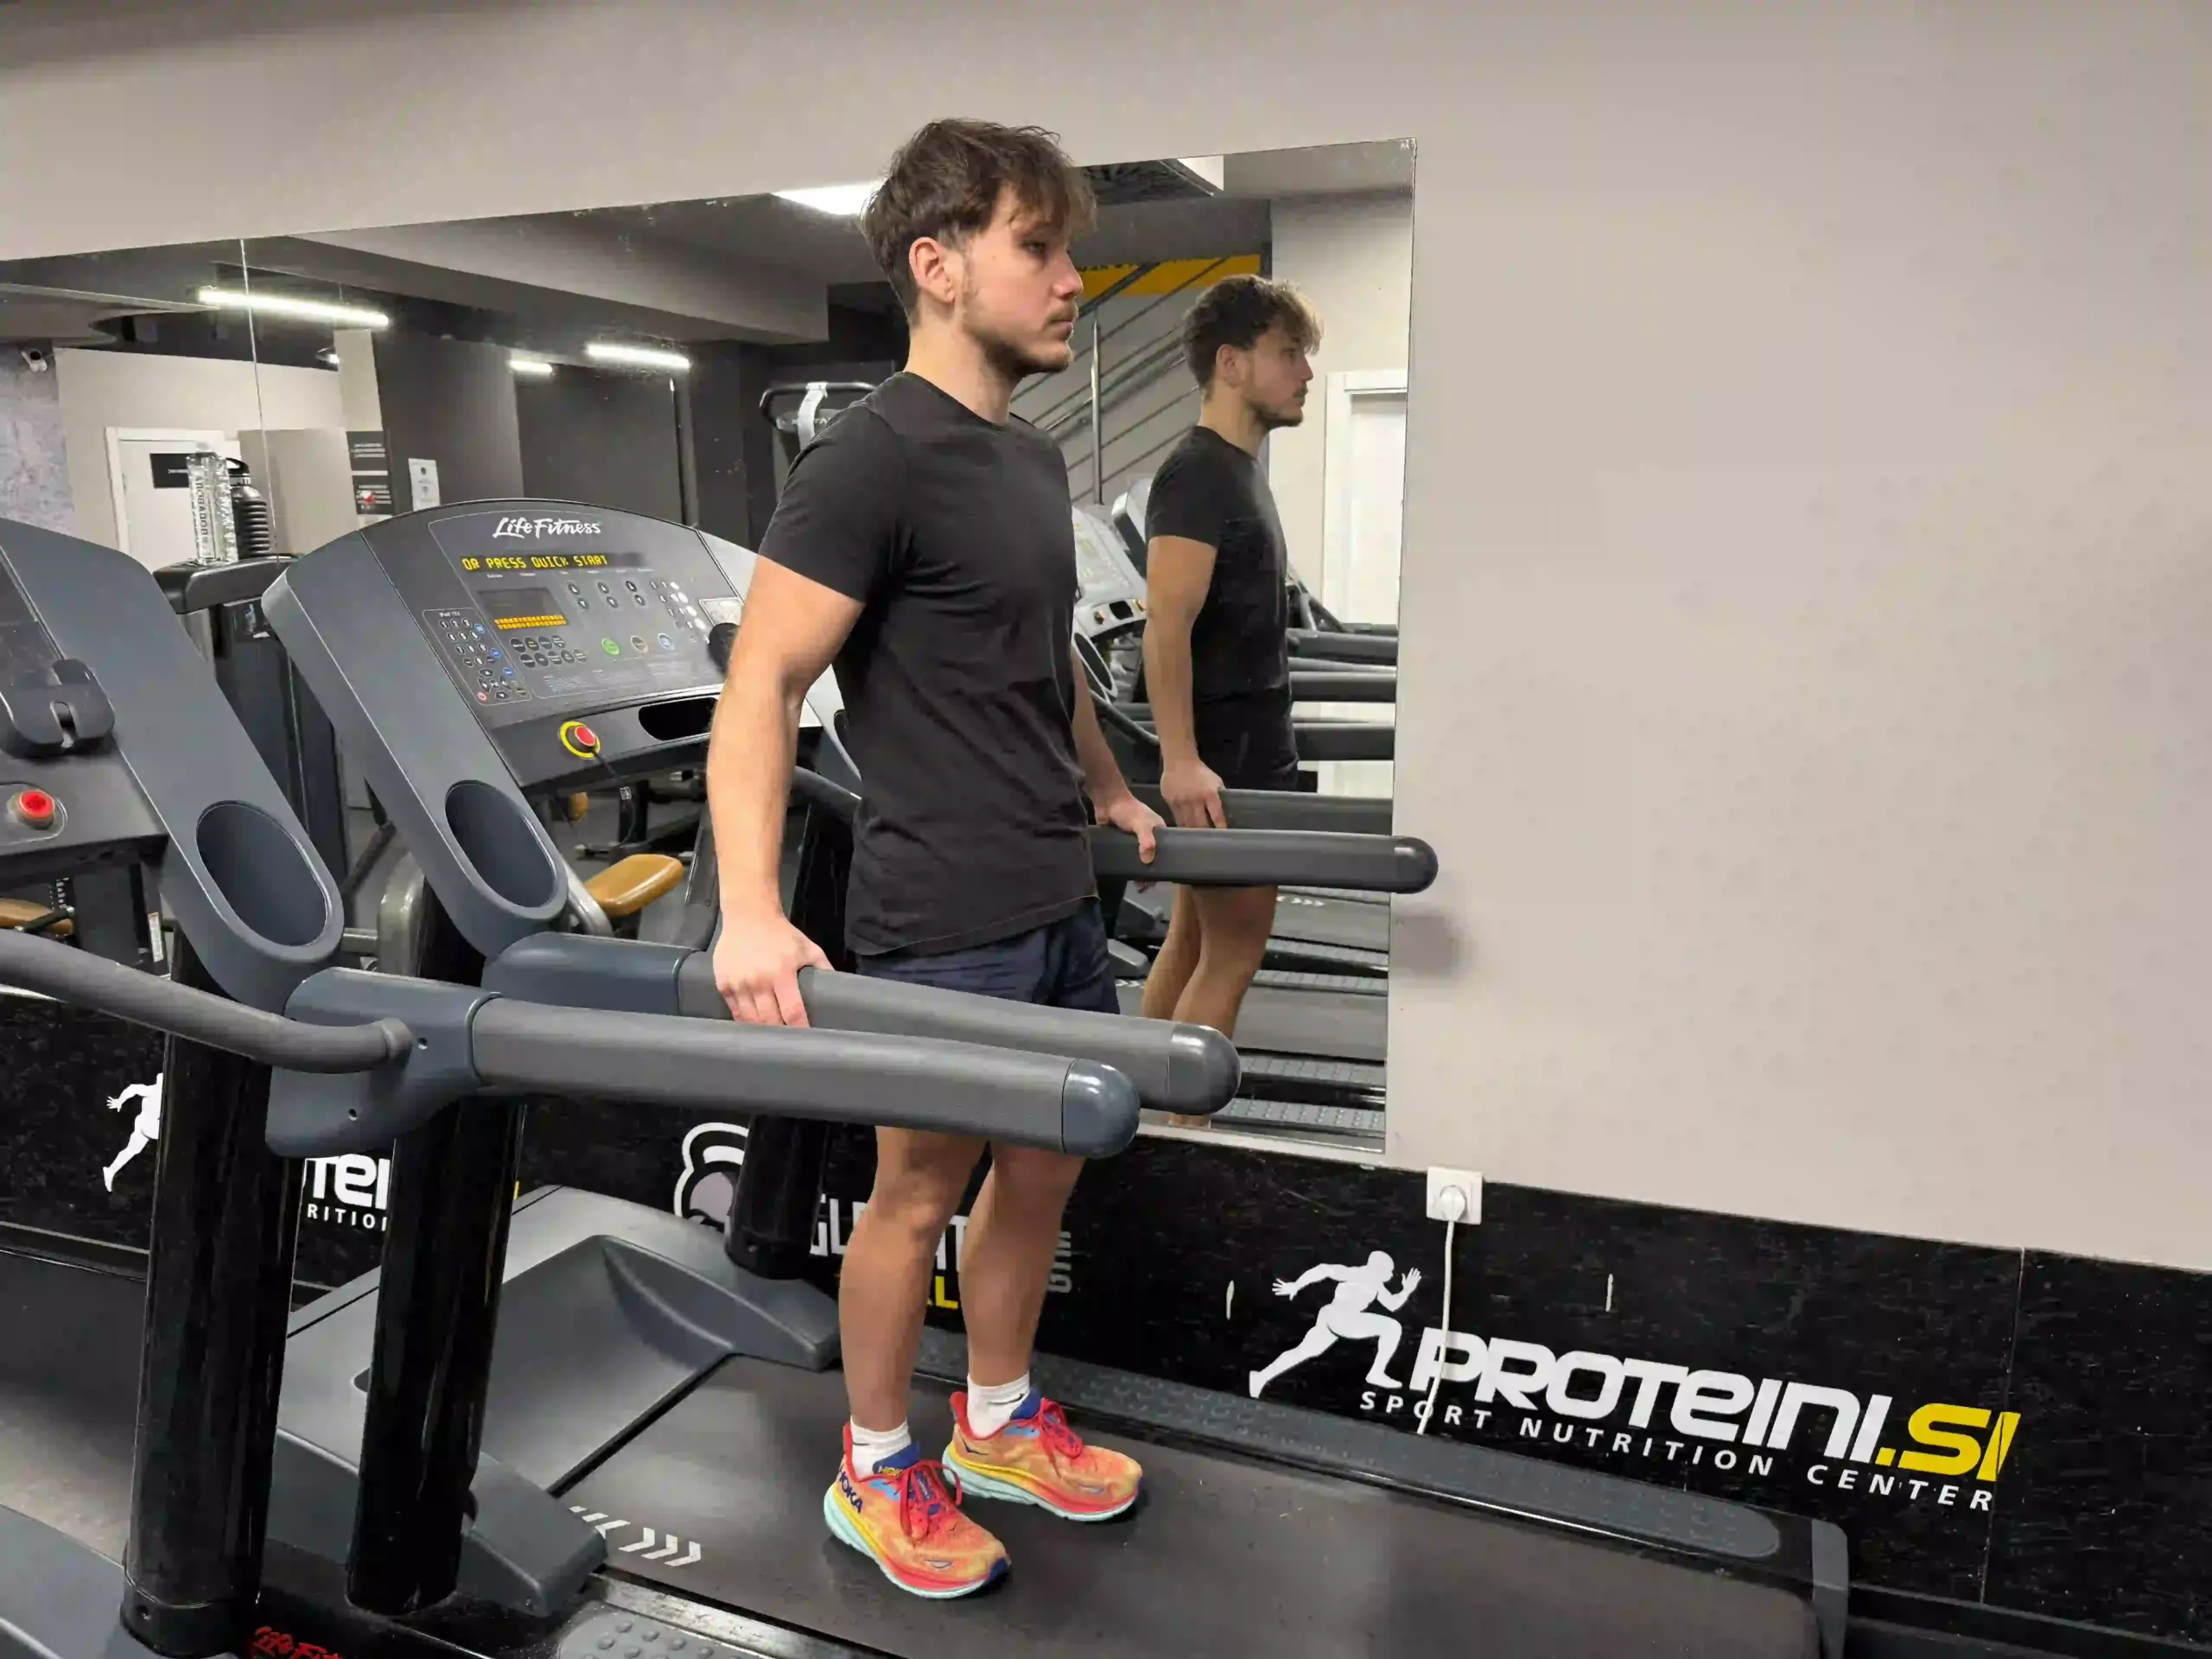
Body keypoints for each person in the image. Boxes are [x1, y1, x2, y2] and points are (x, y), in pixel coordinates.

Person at [705, 118, 1166, 1601]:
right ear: (938, 264)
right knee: (917, 1196)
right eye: (1039, 246)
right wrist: (757, 915)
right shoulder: (871, 460)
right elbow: (762, 688)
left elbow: (1049, 667)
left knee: (1041, 1178)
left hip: (1054, 900)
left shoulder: (1030, 463)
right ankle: (876, 1463)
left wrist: (1113, 791)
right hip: (941, 912)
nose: (1071, 278)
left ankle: (995, 1422)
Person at [1136, 276, 1322, 1092]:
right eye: (1290, 354)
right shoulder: (1199, 474)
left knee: (1192, 946)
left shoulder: (1239, 470)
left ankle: (1142, 1118)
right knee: (1235, 953)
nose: (1306, 373)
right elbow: (1164, 624)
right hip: (1226, 765)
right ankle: (1179, 1132)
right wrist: (1181, 762)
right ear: (1232, 364)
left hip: (1241, 753)